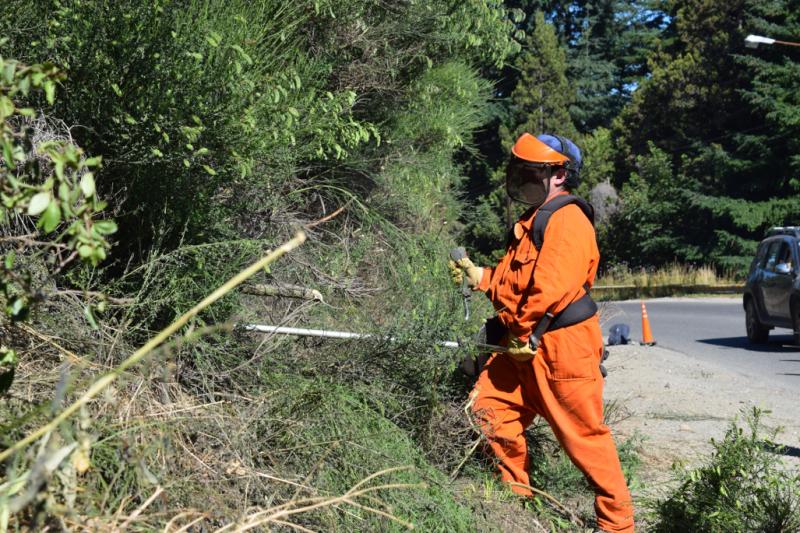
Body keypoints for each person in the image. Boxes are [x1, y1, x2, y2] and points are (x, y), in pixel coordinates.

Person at [450, 132, 634, 532]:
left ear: (560, 176)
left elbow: (548, 289)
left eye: (532, 172)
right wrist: (479, 275)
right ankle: (513, 503)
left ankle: (617, 525)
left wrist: (521, 334)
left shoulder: (567, 219)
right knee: (491, 411)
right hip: (522, 346)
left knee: (584, 438)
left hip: (558, 347)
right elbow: (513, 282)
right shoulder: (532, 222)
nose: (524, 179)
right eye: (521, 171)